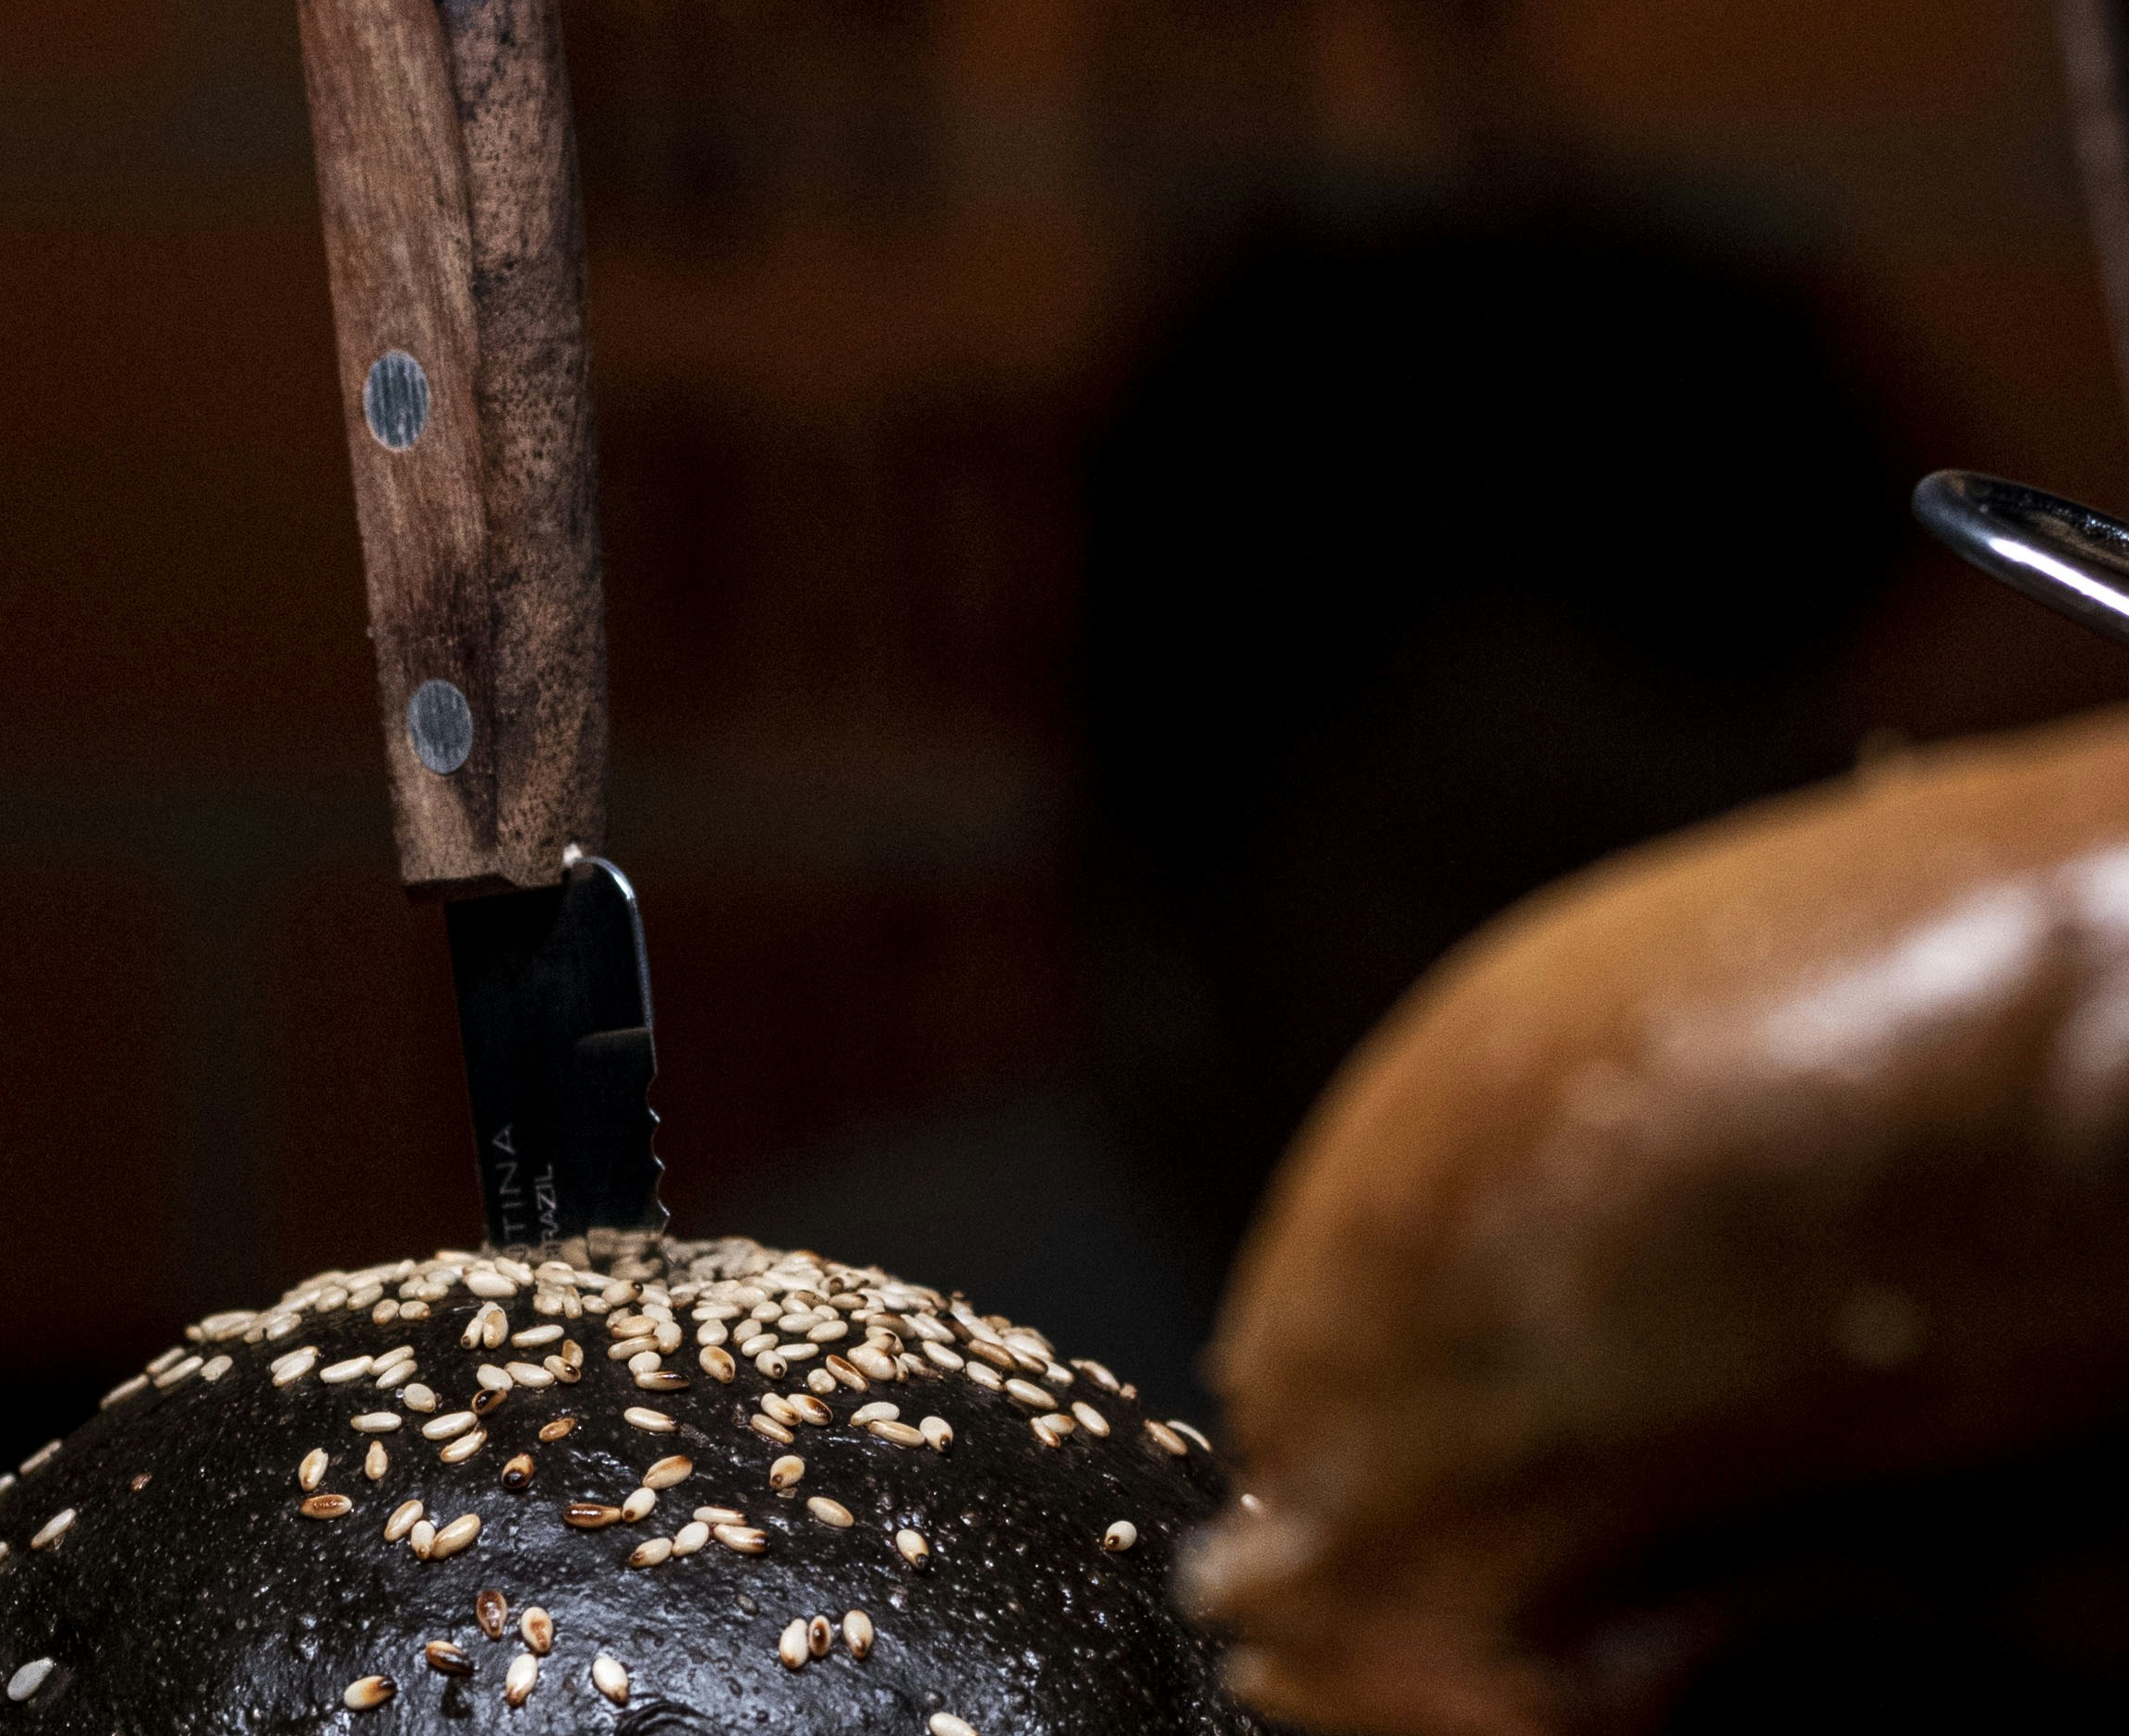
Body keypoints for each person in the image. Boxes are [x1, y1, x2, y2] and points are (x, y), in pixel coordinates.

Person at [743, 198, 1910, 1409]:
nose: (1684, 1027)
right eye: (1534, 893)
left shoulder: (1879, 1381)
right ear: (1175, 892)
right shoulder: (802, 1424)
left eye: (1788, 899)